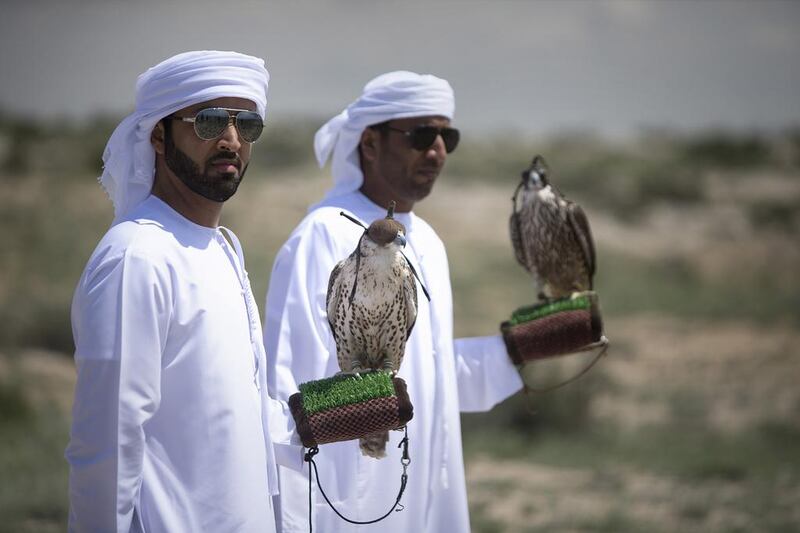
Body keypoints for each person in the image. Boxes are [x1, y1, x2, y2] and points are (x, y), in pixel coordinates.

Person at [263, 71, 523, 532]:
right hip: (347, 494)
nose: (438, 150)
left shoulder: (428, 241)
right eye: (422, 134)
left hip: (422, 485)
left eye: (448, 136)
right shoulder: (324, 236)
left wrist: (520, 351)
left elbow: (430, 373)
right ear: (369, 143)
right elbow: (286, 394)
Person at [65, 50, 302, 533]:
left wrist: (313, 419)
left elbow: (230, 413)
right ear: (158, 135)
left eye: (248, 125)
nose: (232, 140)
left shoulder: (221, 249)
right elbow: (107, 442)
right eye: (210, 122)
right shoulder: (137, 256)